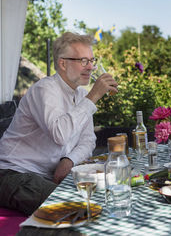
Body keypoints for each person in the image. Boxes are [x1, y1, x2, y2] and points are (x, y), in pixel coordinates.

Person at [0, 32, 118, 215]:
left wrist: (69, 159)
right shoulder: (45, 89)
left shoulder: (80, 96)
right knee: (78, 208)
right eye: (84, 61)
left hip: (46, 176)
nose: (91, 67)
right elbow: (59, 135)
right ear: (63, 63)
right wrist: (93, 96)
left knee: (103, 195)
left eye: (92, 60)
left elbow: (88, 140)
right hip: (12, 173)